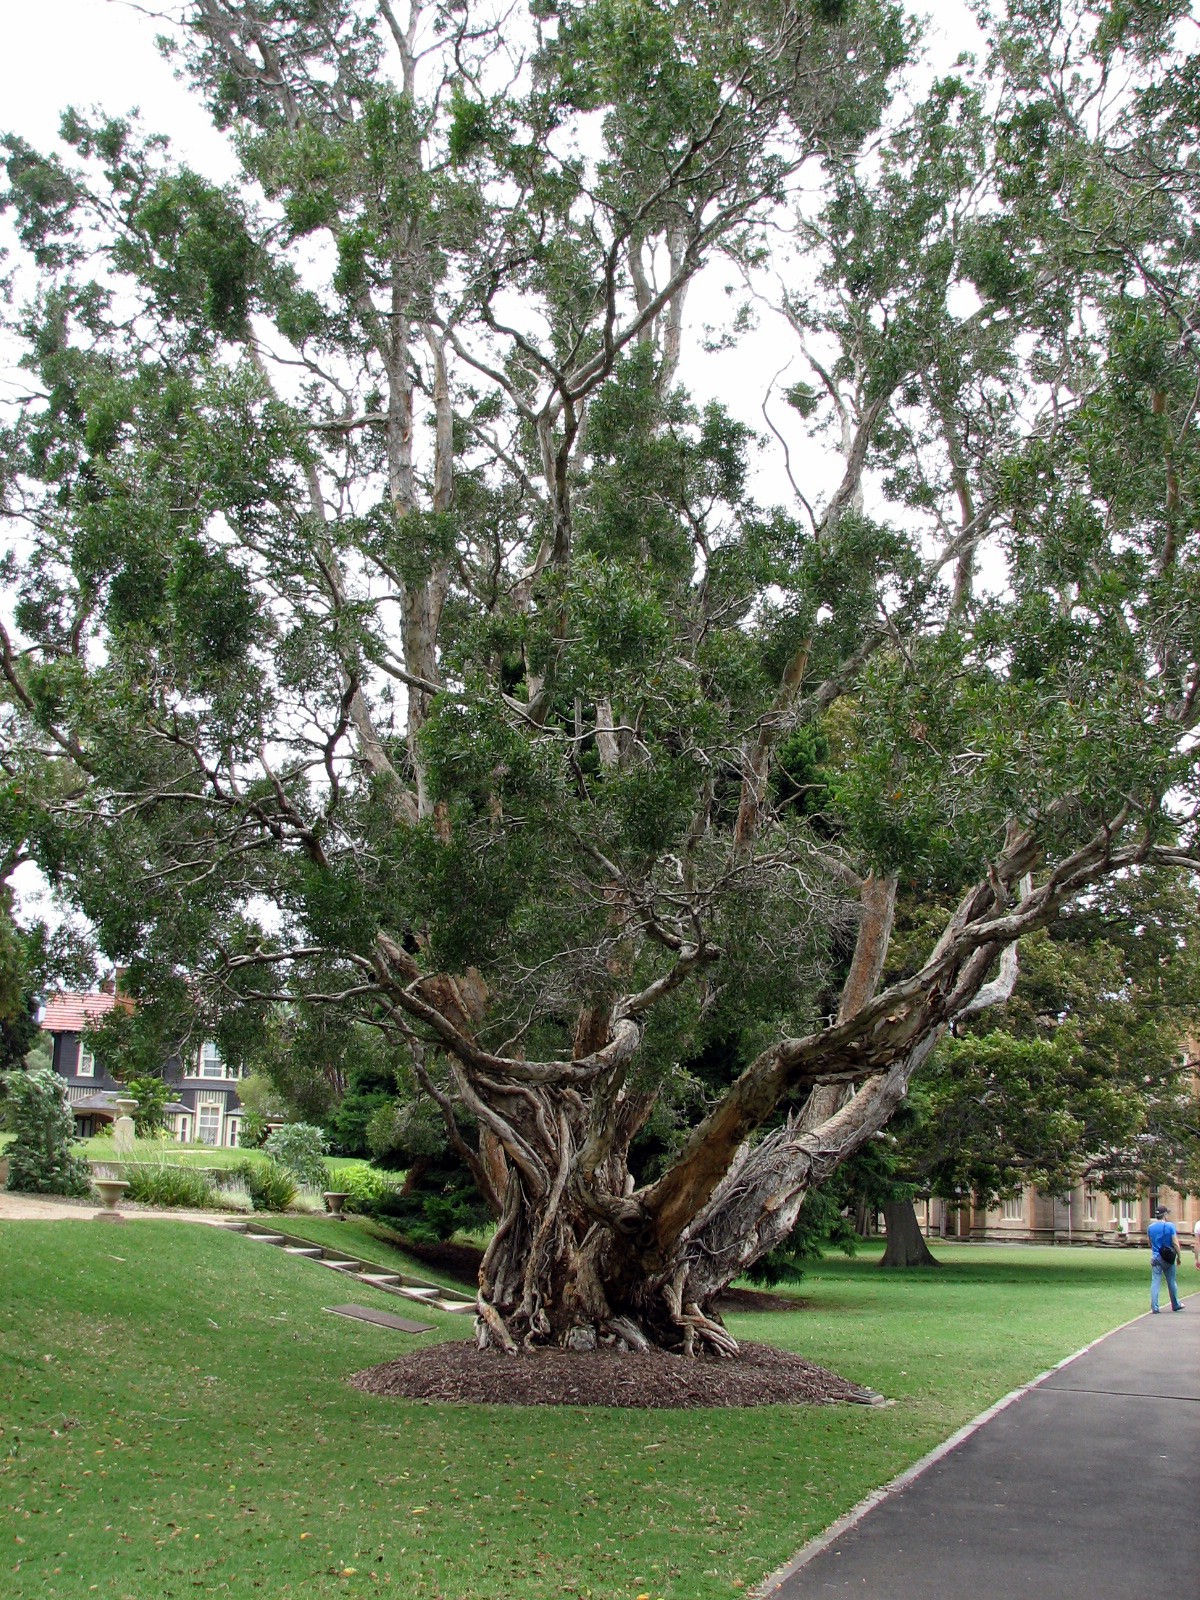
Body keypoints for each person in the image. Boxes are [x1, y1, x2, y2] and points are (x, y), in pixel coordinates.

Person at [1146, 1205, 1183, 1313]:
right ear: (1165, 1215)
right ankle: (1175, 1304)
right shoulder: (1170, 1226)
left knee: (1155, 1282)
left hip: (1156, 1257)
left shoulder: (1150, 1227)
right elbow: (1175, 1243)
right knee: (1171, 1281)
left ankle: (1155, 1307)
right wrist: (1179, 1256)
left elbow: (1150, 1243)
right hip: (1168, 1258)